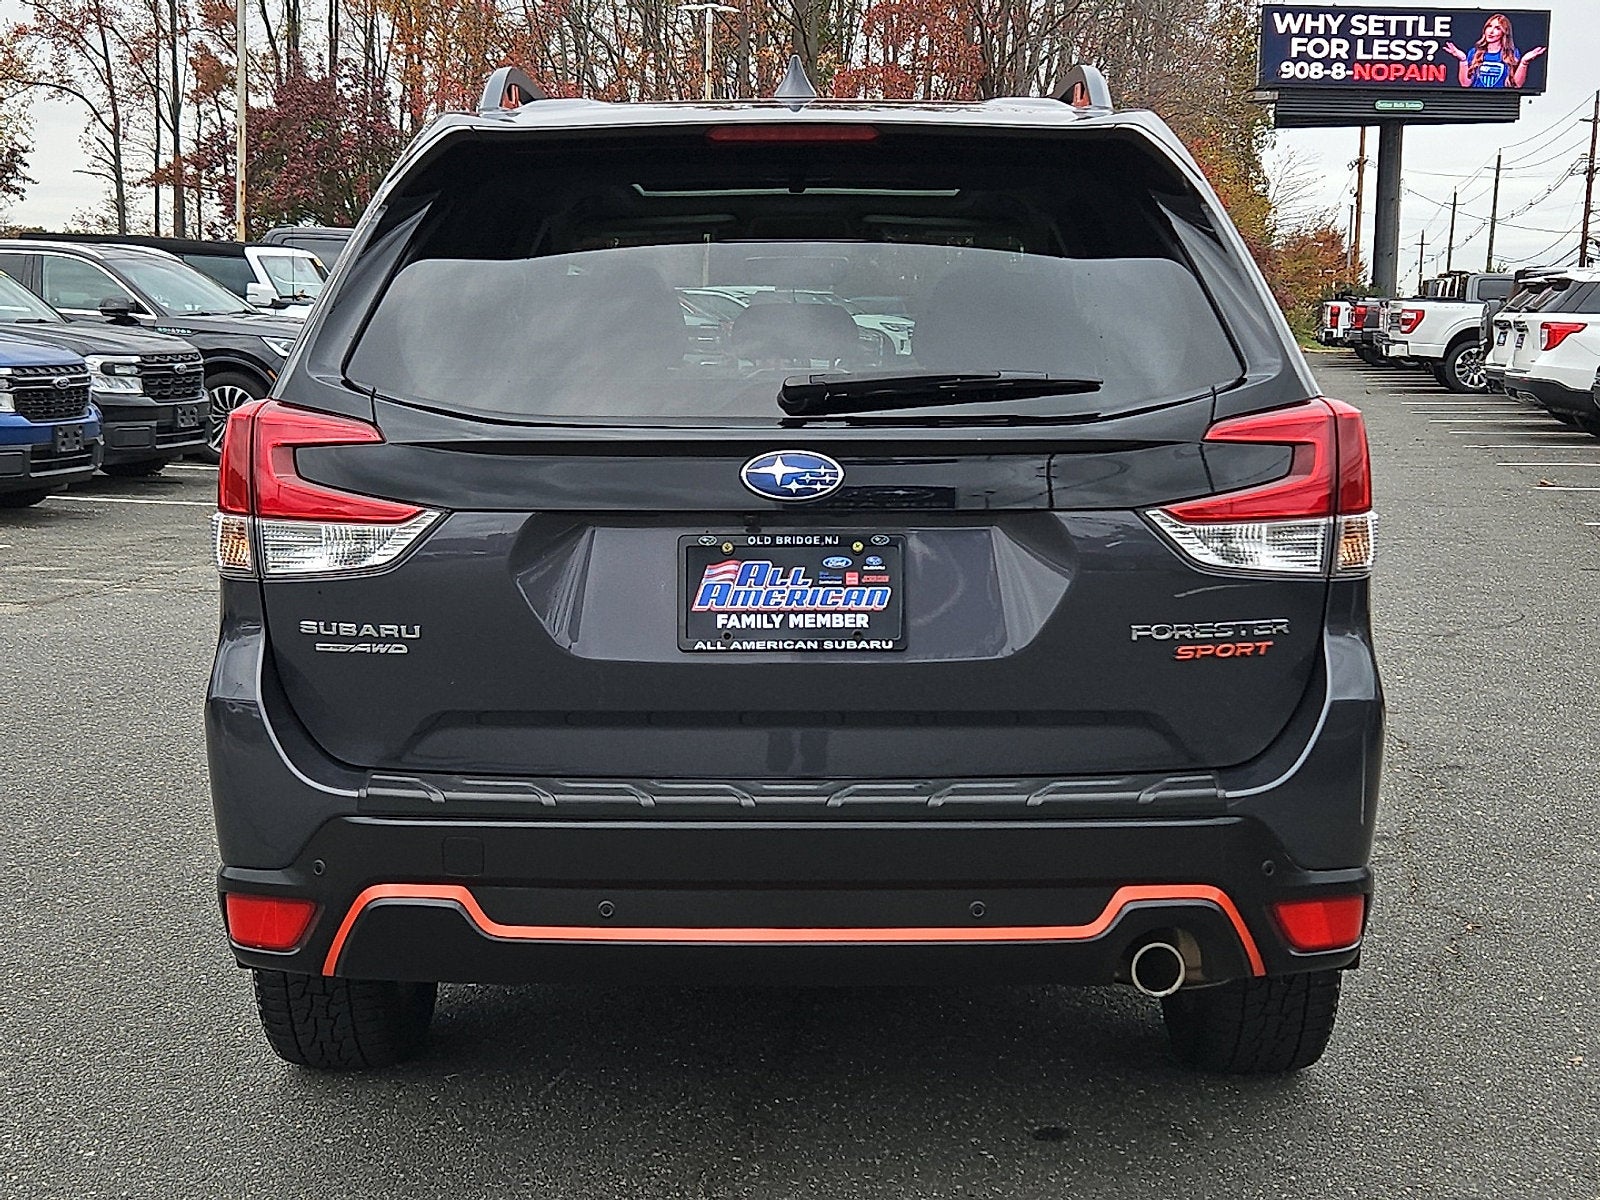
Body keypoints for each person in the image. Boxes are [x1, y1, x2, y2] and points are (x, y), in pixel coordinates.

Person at [1444, 14, 1545, 89]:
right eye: (1489, 26)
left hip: (1501, 104)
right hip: (1476, 102)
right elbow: (1465, 84)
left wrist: (1524, 62)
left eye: (1497, 28)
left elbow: (1517, 85)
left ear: (1504, 33)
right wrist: (1463, 60)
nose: (1491, 31)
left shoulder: (1511, 54)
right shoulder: (1475, 52)